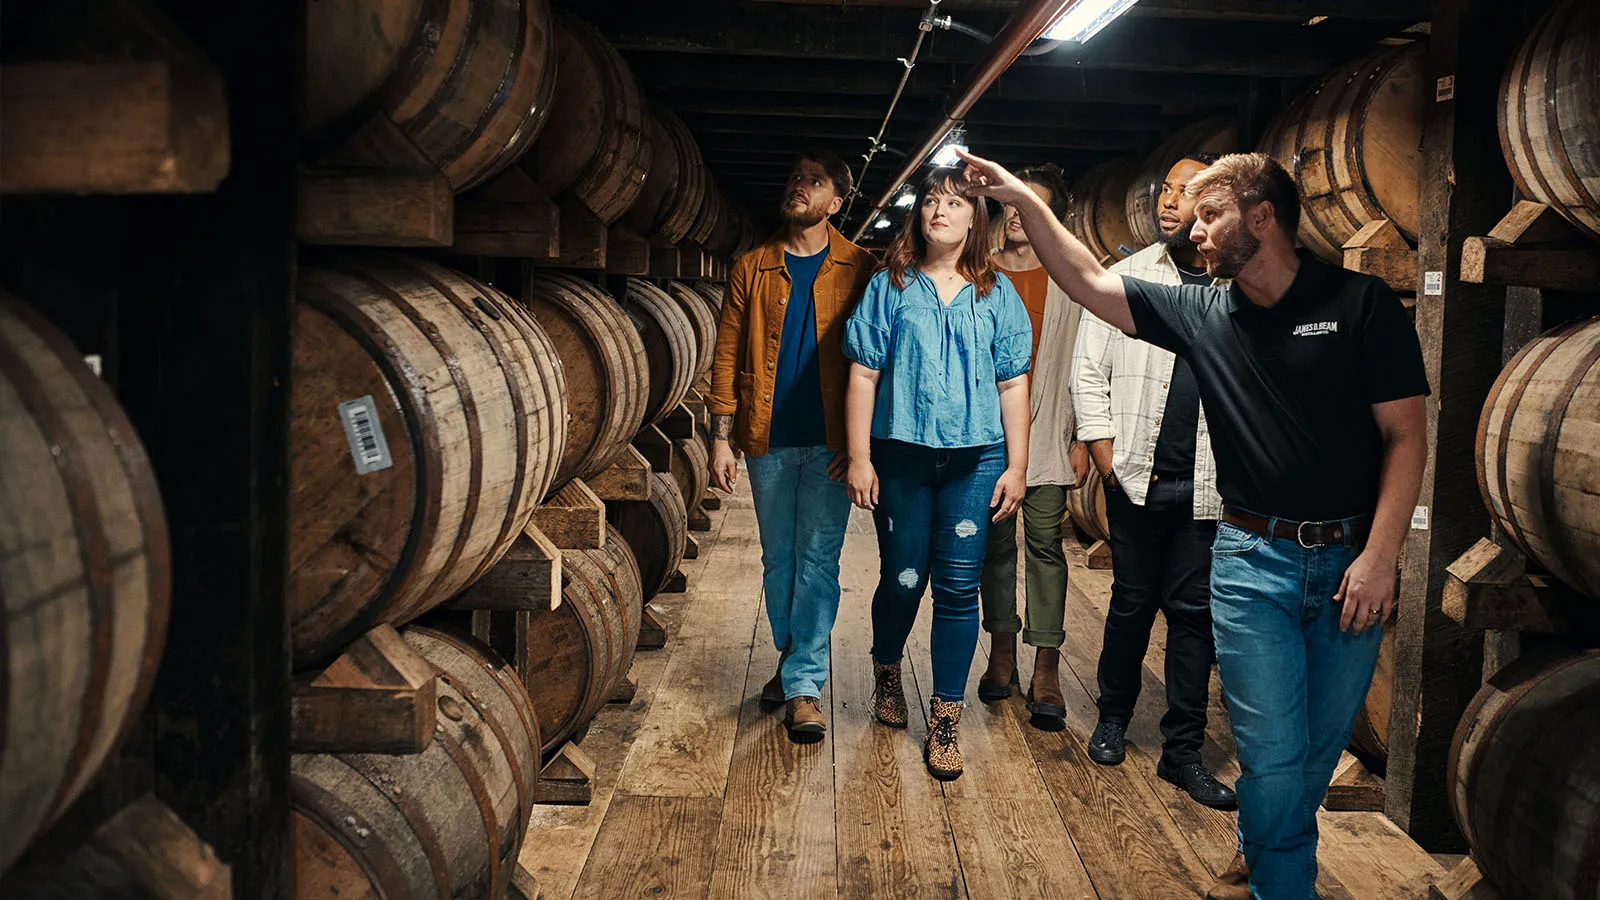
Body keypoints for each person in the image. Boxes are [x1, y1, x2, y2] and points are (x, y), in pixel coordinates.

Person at [960, 148, 1427, 900]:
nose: (1193, 229)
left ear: (1262, 217)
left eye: (1210, 215)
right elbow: (1085, 278)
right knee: (1272, 756)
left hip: (1350, 566)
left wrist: (1380, 555)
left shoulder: (1359, 305)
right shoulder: (1205, 312)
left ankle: (1257, 845)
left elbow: (1407, 437)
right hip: (1249, 562)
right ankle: (1286, 887)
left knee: (1313, 756)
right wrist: (1020, 197)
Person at [842, 166, 1033, 782]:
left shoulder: (996, 292)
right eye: (930, 200)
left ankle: (947, 716)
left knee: (957, 588)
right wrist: (860, 456)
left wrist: (1019, 465)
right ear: (917, 215)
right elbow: (864, 374)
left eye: (955, 202)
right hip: (901, 456)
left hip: (976, 460)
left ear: (977, 218)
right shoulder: (889, 285)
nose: (939, 210)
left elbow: (1012, 382)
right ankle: (887, 670)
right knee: (902, 579)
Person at [1070, 152, 1238, 811]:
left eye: (1186, 191)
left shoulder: (1241, 288)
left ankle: (1183, 753)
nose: (1168, 202)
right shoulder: (1128, 277)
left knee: (1194, 620)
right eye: (1165, 189)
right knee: (1133, 605)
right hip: (1136, 475)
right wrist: (1106, 454)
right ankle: (1113, 718)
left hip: (1209, 488)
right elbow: (1089, 370)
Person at [707, 150, 877, 742]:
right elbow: (726, 354)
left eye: (814, 181)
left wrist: (862, 447)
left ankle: (805, 685)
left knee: (817, 561)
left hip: (830, 442)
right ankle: (791, 655)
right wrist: (720, 438)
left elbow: (879, 360)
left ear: (836, 202)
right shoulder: (752, 268)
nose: (798, 186)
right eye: (794, 177)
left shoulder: (861, 268)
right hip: (766, 440)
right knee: (779, 560)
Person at [975, 163, 1089, 733]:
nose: (1016, 214)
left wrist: (1081, 436)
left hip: (1047, 436)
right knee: (994, 549)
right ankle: (1001, 652)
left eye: (1031, 205)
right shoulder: (980, 276)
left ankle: (1046, 661)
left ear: (1052, 218)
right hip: (985, 438)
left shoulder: (1070, 281)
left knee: (1045, 546)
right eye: (1010, 203)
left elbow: (1086, 365)